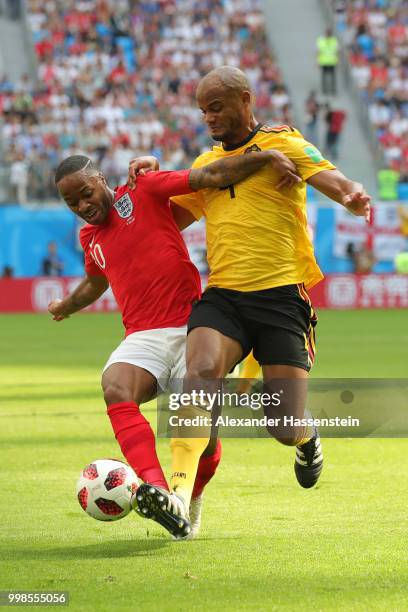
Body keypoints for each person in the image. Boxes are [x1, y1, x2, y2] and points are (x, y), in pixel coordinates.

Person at [133, 66, 371, 524]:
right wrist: (149, 183)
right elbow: (166, 220)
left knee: (281, 425)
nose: (209, 118)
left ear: (245, 99)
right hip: (224, 298)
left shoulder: (284, 143)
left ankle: (306, 437)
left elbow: (334, 180)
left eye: (216, 107)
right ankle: (180, 499)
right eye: (203, 111)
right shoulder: (206, 168)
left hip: (282, 300)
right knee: (198, 373)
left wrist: (353, 195)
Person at [48, 149, 300, 539]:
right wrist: (67, 305)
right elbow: (97, 281)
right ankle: (159, 491)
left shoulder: (143, 189)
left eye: (85, 193)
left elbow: (209, 176)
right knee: (115, 386)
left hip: (195, 328)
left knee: (204, 434)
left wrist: (265, 157)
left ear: (101, 181)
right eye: (71, 202)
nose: (82, 206)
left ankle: (190, 498)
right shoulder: (89, 237)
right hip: (142, 336)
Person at [316, 28, 339, 96]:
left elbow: (337, 52)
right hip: (324, 61)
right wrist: (318, 61)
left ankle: (333, 90)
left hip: (332, 61)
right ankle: (325, 90)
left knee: (333, 77)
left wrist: (337, 61)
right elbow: (318, 52)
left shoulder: (334, 40)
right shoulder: (321, 40)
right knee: (324, 77)